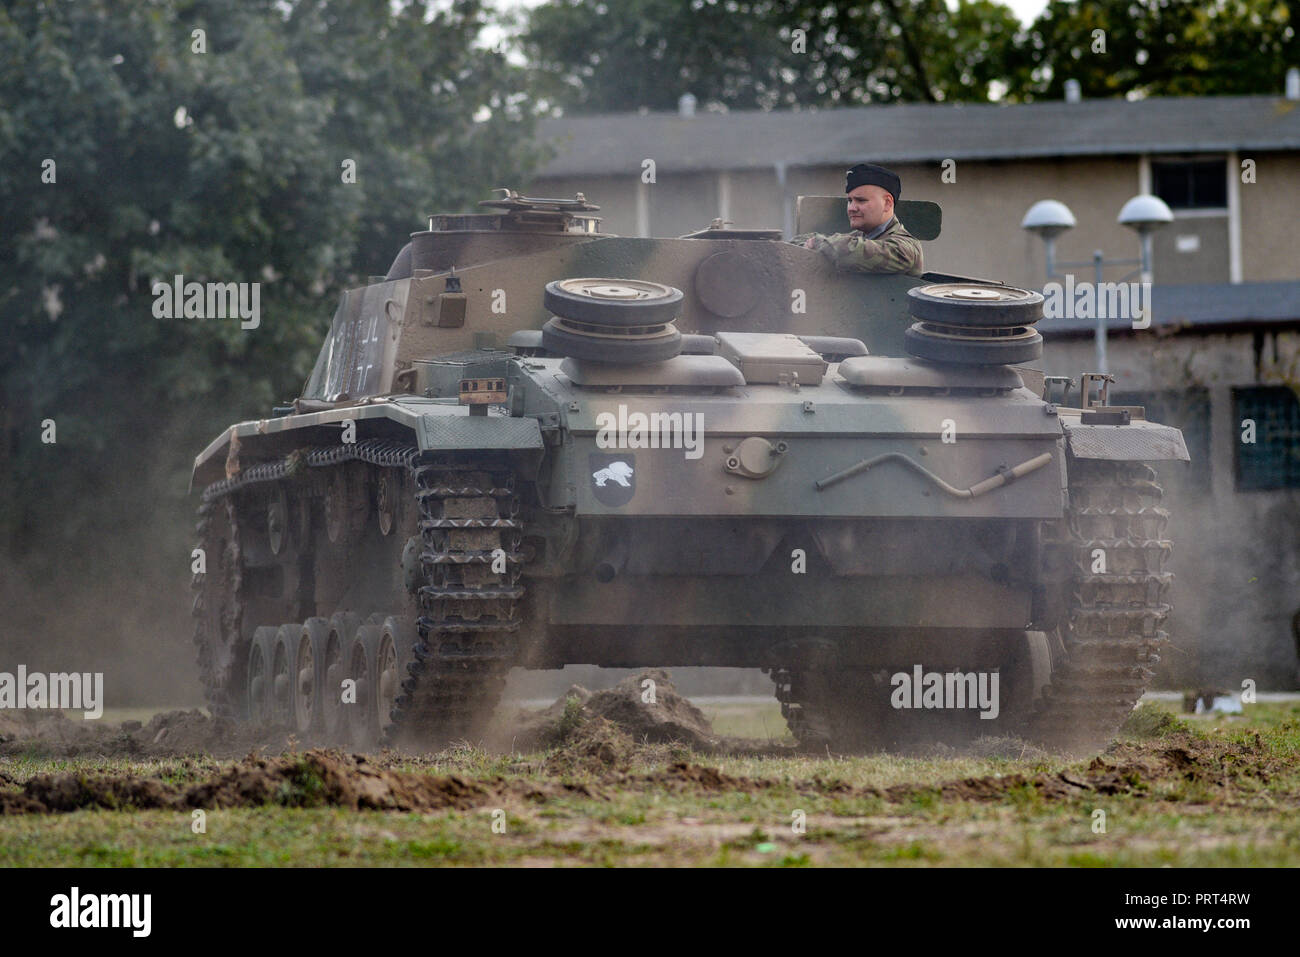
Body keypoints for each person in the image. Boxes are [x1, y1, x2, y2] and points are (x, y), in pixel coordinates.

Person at [793, 163, 923, 276]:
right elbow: (797, 242)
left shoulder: (906, 249)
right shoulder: (858, 238)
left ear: (887, 203)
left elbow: (852, 252)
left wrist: (818, 243)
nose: (851, 208)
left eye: (861, 200)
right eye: (850, 201)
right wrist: (816, 243)